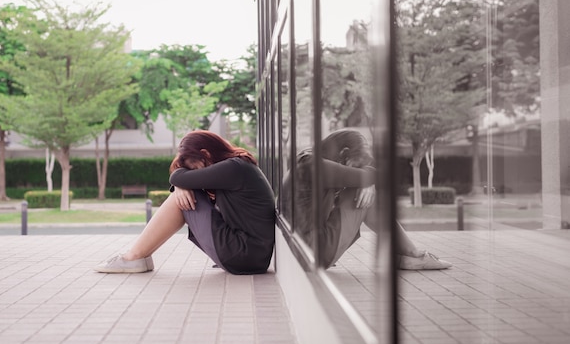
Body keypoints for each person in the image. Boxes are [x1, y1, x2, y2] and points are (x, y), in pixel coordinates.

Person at [94, 130, 276, 275]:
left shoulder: (234, 168)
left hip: (244, 254)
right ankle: (140, 256)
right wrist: (182, 185)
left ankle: (133, 257)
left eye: (194, 168)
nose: (195, 174)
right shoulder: (239, 166)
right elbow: (181, 178)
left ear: (205, 154)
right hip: (250, 255)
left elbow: (177, 176)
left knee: (182, 198)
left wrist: (180, 185)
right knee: (184, 192)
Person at [281, 128, 452, 270]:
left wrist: (365, 180)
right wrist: (365, 181)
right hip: (310, 253)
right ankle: (414, 254)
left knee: (363, 189)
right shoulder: (315, 166)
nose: (355, 170)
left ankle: (407, 256)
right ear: (344, 153)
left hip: (301, 251)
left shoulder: (306, 160)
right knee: (361, 194)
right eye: (356, 165)